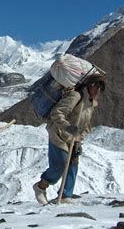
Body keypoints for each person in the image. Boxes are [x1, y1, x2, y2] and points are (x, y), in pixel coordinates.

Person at [33, 74, 106, 204]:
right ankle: (41, 186)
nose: (98, 90)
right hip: (58, 133)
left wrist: (78, 140)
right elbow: (57, 113)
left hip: (73, 137)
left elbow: (85, 125)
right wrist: (68, 127)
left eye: (101, 87)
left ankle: (66, 195)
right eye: (96, 85)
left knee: (73, 163)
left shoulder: (91, 103)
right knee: (61, 162)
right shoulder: (76, 96)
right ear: (89, 85)